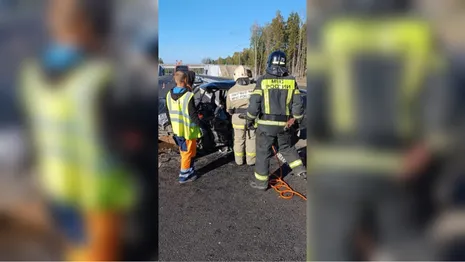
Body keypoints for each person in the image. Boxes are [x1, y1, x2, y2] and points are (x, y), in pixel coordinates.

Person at [306, 0, 453, 260]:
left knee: (333, 249)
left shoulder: (332, 30)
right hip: (401, 169)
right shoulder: (419, 30)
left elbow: (316, 99)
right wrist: (429, 149)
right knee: (402, 248)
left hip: (339, 167)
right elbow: (443, 101)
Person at [18, 0, 135, 260]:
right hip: (97, 203)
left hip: (56, 193)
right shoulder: (101, 77)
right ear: (88, 25)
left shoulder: (32, 75)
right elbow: (126, 142)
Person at [246, 50, 306, 190]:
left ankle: (261, 183)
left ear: (269, 63)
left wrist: (249, 119)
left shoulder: (262, 80)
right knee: (287, 147)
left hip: (265, 125)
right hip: (284, 124)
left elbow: (254, 104)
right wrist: (296, 119)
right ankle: (300, 170)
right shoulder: (291, 81)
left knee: (263, 153)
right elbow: (298, 104)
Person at [166, 71, 203, 183]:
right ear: (186, 80)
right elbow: (193, 114)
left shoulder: (168, 95)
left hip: (177, 130)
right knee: (187, 152)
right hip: (188, 130)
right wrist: (200, 126)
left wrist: (172, 125)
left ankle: (190, 169)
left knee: (186, 151)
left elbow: (168, 113)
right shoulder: (188, 96)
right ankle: (184, 175)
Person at [226, 65, 256, 166]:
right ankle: (251, 160)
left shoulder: (231, 91)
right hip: (252, 117)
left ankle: (239, 161)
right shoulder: (254, 88)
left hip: (237, 118)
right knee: (251, 138)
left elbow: (229, 109)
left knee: (239, 139)